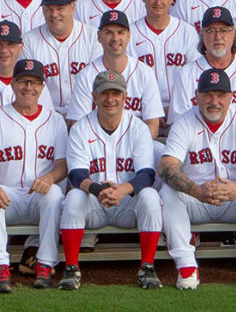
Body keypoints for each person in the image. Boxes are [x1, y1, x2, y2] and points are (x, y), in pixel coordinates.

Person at [157, 70, 236, 290]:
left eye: (220, 95)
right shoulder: (185, 122)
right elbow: (166, 166)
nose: (214, 101)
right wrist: (195, 190)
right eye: (208, 95)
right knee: (168, 192)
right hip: (197, 199)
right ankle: (186, 266)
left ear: (231, 96)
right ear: (197, 96)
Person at [57, 74, 163, 291]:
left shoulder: (138, 127)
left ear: (125, 97)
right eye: (104, 93)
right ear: (94, 96)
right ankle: (71, 267)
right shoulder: (81, 127)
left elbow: (147, 175)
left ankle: (148, 266)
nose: (110, 99)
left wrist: (123, 190)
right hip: (94, 203)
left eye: (116, 93)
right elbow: (77, 174)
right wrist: (98, 190)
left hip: (127, 205)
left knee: (151, 196)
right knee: (74, 196)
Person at [0, 61, 69, 292]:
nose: (29, 87)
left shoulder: (55, 120)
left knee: (55, 193)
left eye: (35, 82)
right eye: (24, 81)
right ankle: (0, 268)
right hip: (7, 194)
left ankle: (44, 265)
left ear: (42, 87)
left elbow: (63, 165)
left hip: (39, 195)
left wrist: (50, 178)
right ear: (13, 84)